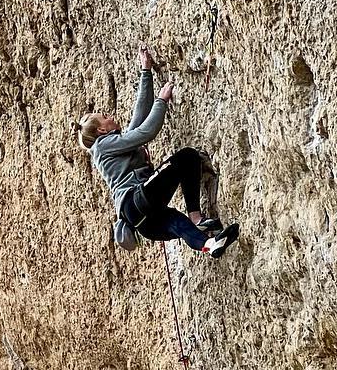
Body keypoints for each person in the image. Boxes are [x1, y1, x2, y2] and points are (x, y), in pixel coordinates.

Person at [78, 48, 240, 257]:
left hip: (141, 221)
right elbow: (146, 132)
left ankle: (208, 244)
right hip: (135, 199)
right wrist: (162, 101)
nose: (109, 116)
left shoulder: (113, 145)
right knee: (187, 157)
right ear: (101, 129)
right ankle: (196, 218)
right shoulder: (102, 146)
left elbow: (140, 115)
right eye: (104, 117)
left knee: (176, 222)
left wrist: (146, 72)